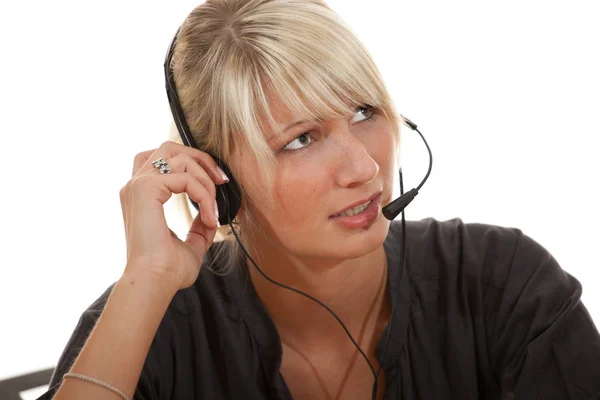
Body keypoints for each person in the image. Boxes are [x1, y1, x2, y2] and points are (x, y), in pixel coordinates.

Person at [38, 0, 600, 399]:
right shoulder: (147, 328)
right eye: (301, 139)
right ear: (219, 177)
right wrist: (145, 281)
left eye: (364, 113)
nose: (364, 168)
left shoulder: (505, 285)